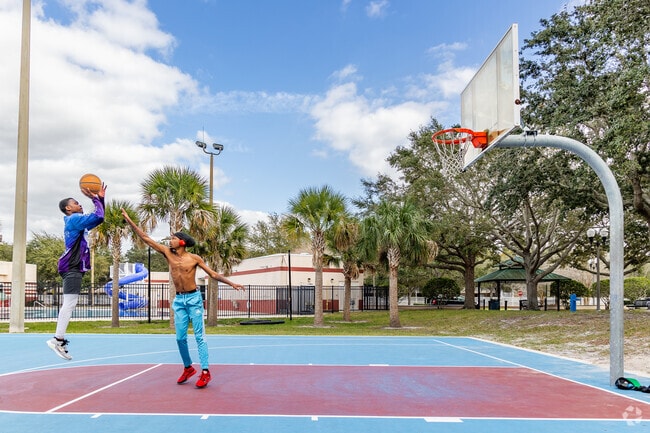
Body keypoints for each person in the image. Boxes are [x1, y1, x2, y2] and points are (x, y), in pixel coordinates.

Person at [121, 208, 245, 388]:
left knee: (199, 337)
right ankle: (188, 368)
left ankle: (205, 371)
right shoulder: (167, 253)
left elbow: (213, 274)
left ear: (182, 241)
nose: (169, 240)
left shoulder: (194, 258)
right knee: (180, 338)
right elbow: (146, 238)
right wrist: (129, 220)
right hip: (179, 301)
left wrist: (231, 283)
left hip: (194, 299)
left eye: (172, 237)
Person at [47, 183, 106, 360]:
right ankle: (57, 339)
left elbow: (97, 217)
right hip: (71, 267)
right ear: (68, 208)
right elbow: (99, 217)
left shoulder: (76, 223)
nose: (80, 205)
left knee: (70, 303)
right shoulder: (73, 220)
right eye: (76, 203)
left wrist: (100, 199)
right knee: (70, 303)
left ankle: (58, 339)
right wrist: (95, 199)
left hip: (72, 267)